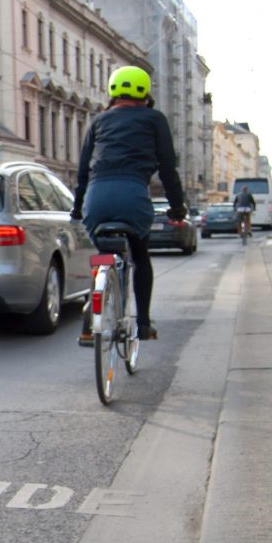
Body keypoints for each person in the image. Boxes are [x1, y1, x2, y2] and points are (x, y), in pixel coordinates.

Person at [72, 66, 187, 342]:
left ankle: (93, 313)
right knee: (140, 255)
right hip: (133, 196)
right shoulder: (154, 119)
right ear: (145, 93)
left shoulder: (98, 122)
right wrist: (177, 208)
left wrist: (77, 208)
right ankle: (144, 324)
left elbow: (83, 170)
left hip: (97, 199)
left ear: (112, 91)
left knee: (102, 255)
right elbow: (168, 169)